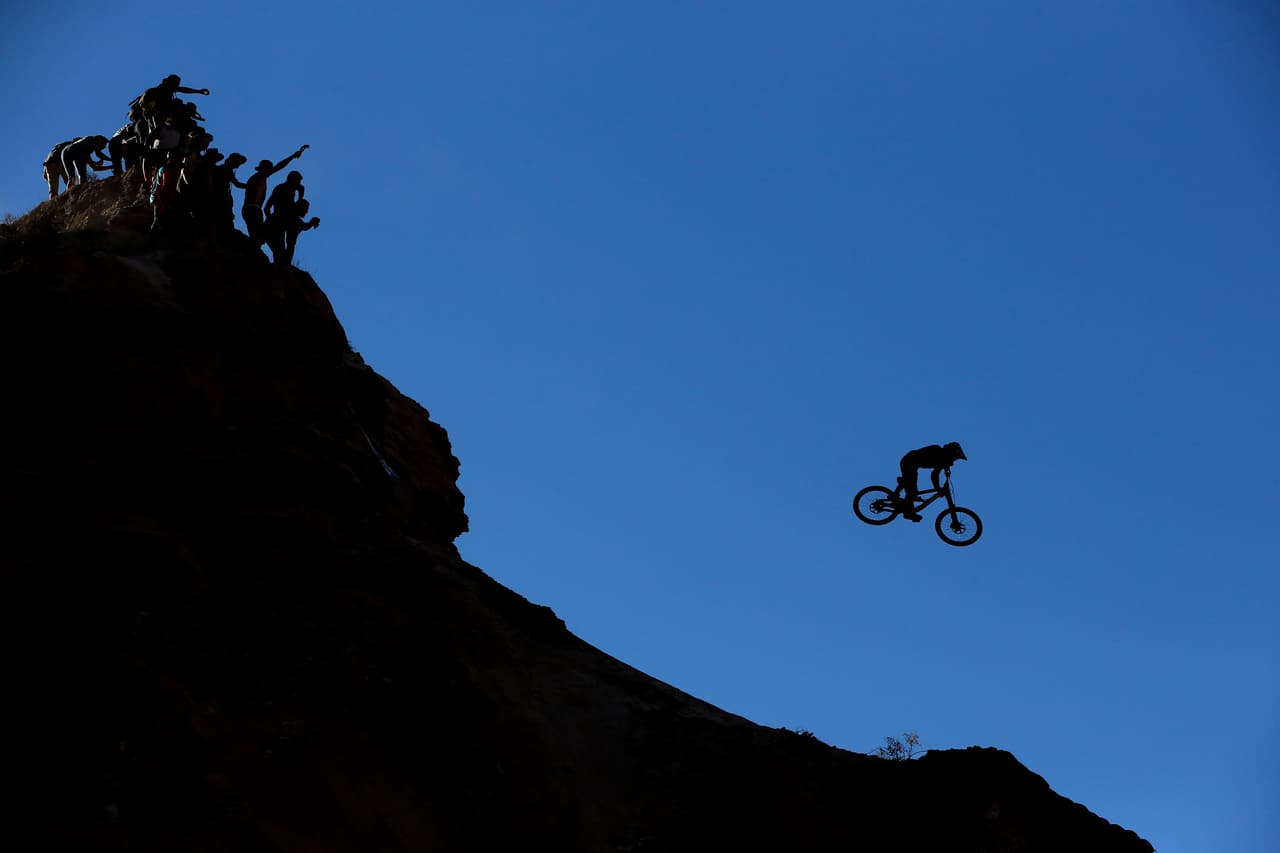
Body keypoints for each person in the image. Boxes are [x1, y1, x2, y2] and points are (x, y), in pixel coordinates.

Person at [241, 145, 308, 243]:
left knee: (259, 238)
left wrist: (292, 156)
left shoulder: (261, 178)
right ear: (262, 169)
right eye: (268, 169)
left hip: (255, 209)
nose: (270, 171)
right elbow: (279, 166)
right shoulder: (256, 178)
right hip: (252, 209)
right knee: (257, 238)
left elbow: (279, 166)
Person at [897, 442, 967, 521]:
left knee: (911, 485)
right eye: (954, 457)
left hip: (912, 463)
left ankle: (902, 483)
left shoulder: (942, 457)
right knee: (912, 491)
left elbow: (936, 472)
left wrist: (945, 467)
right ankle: (908, 513)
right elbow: (934, 475)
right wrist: (937, 488)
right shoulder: (937, 451)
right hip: (909, 462)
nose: (954, 460)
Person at [265, 198, 320, 266]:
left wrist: (311, 223)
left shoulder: (293, 214)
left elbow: (301, 227)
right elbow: (303, 227)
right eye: (306, 209)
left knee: (281, 252)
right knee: (281, 252)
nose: (306, 212)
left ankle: (281, 266)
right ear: (300, 207)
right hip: (271, 230)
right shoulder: (292, 213)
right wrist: (312, 222)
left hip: (272, 231)